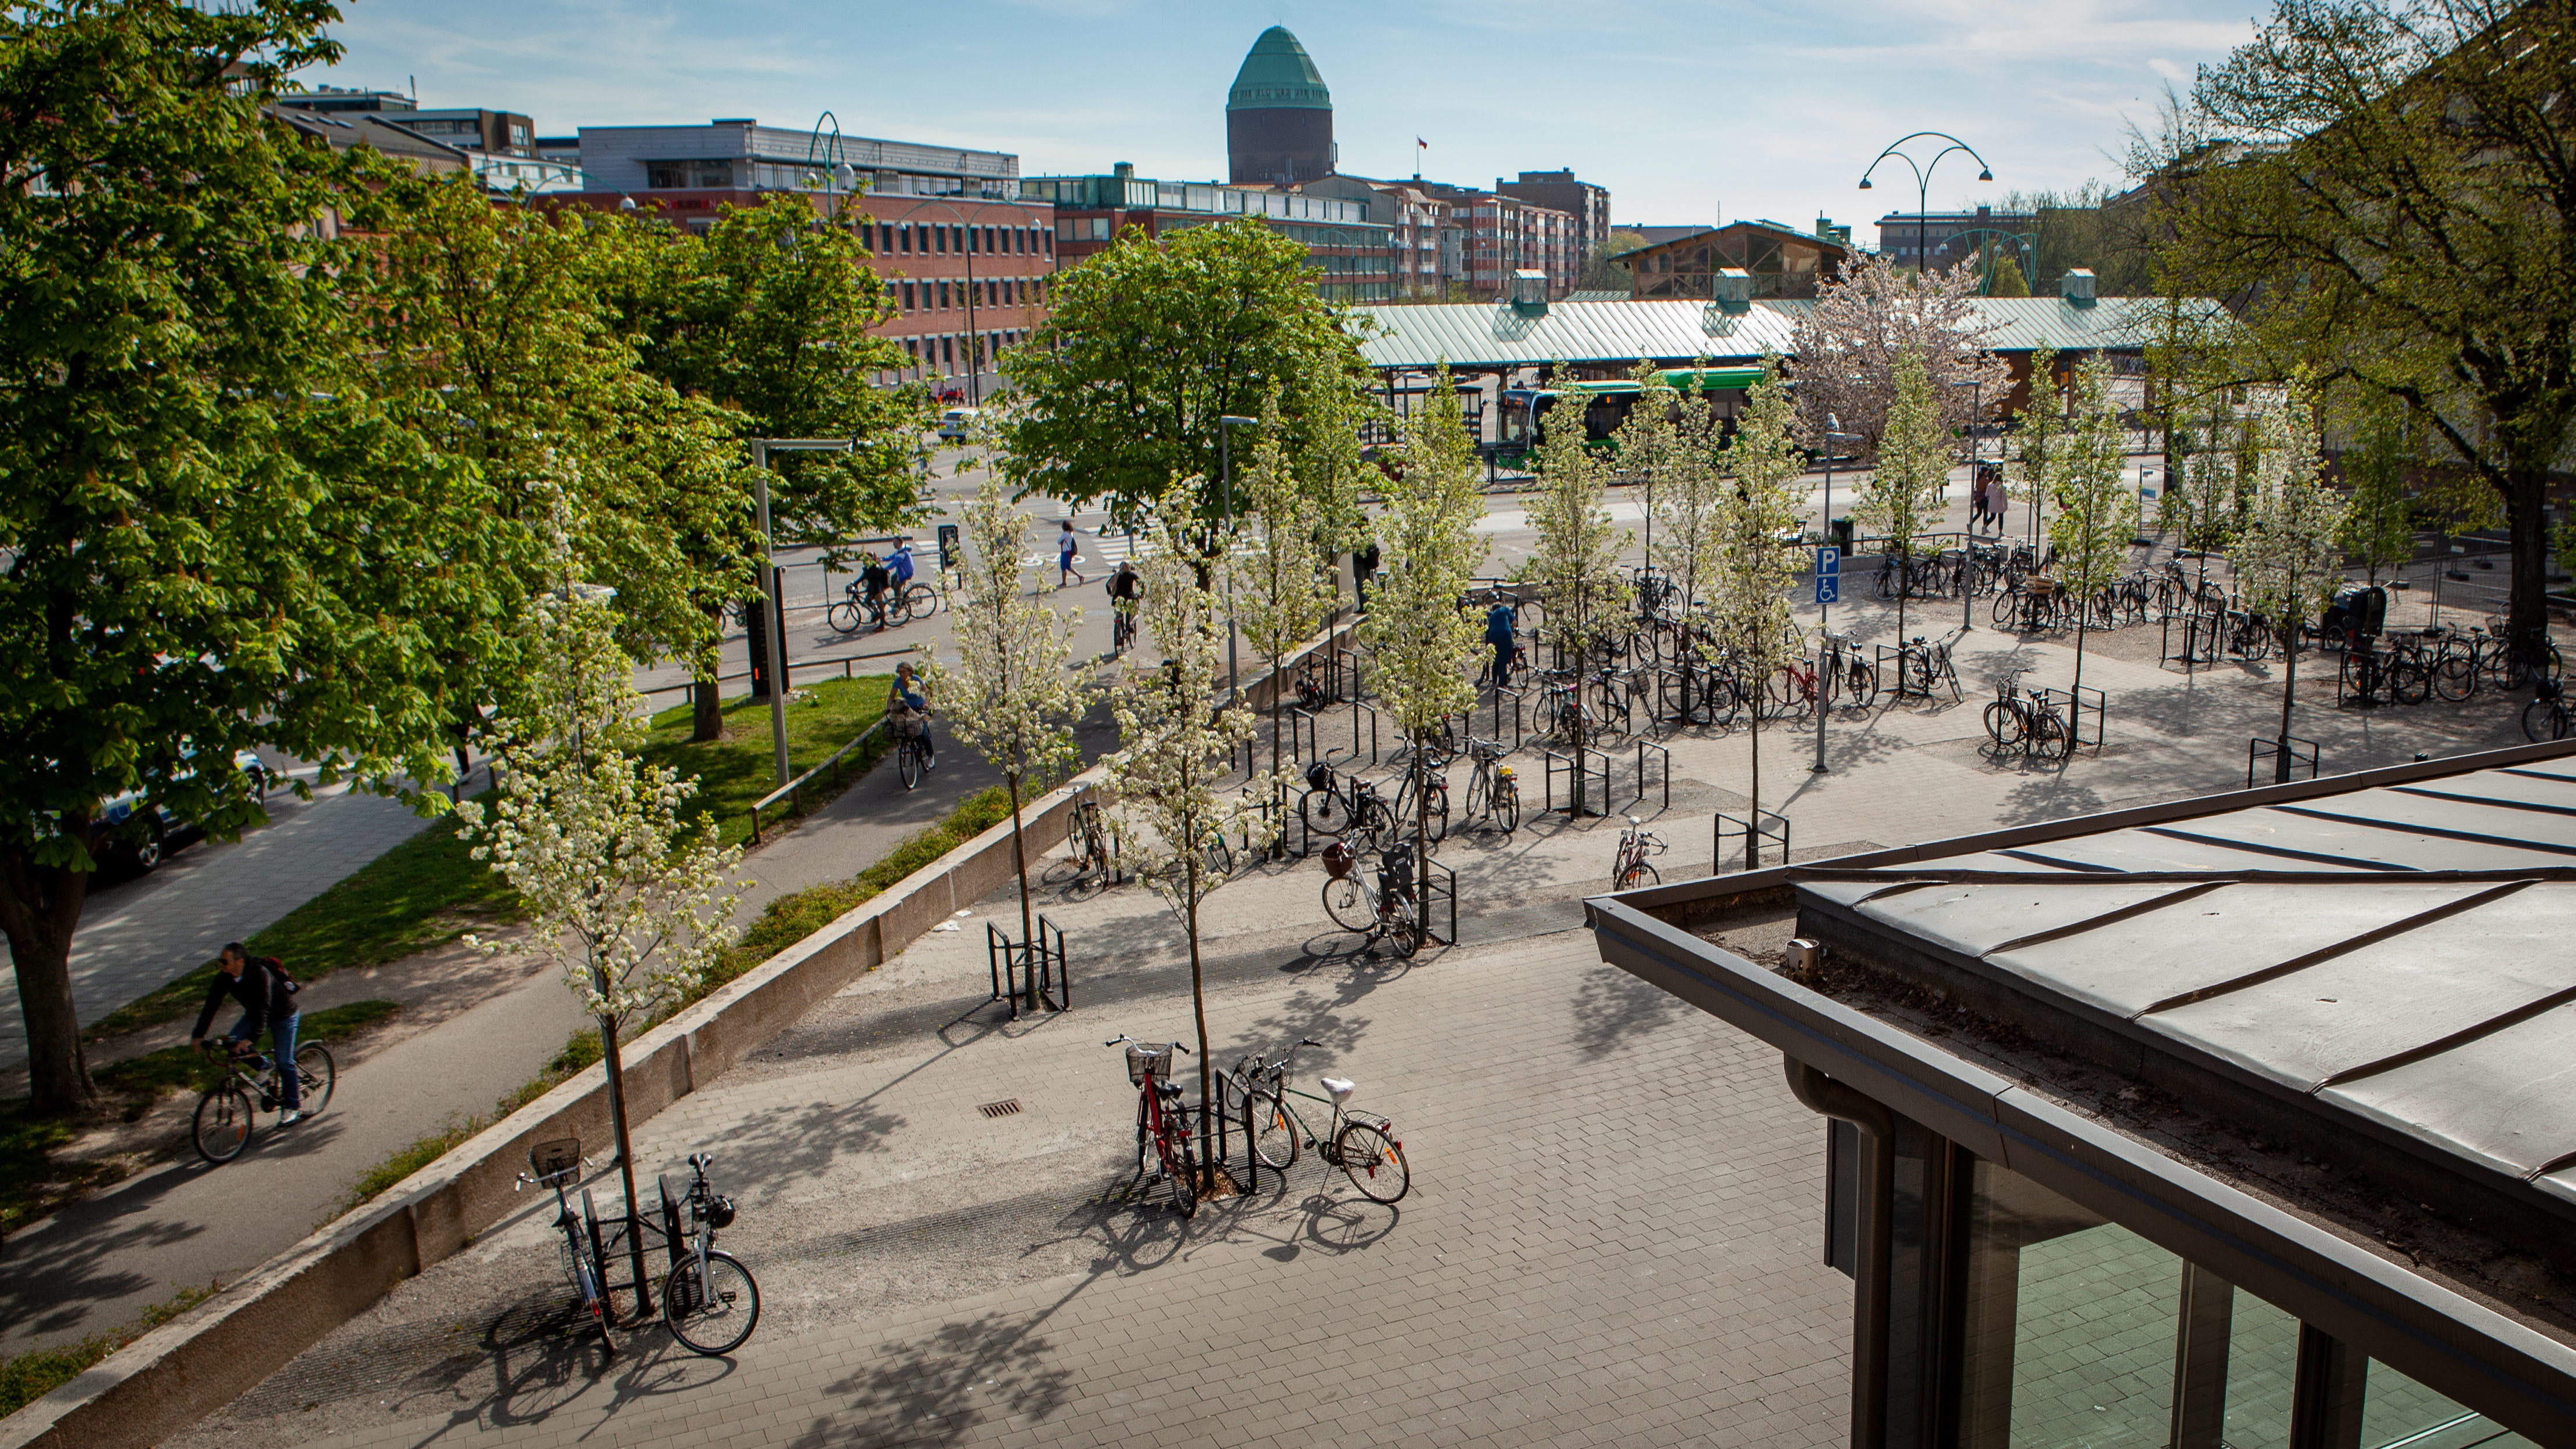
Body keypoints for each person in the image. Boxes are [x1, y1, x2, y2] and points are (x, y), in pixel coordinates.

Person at [191, 943, 304, 1124]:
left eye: (224, 961)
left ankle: (293, 1106)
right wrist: (198, 1034)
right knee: (233, 1044)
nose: (221, 965)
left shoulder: (260, 974)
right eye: (220, 961)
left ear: (239, 962)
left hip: (283, 1016)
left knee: (284, 1061)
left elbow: (264, 1009)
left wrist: (251, 1039)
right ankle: (265, 1066)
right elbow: (211, 1006)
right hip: (254, 1015)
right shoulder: (224, 978)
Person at [889, 662, 935, 769]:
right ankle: (913, 746)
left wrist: (926, 704)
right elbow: (891, 697)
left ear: (909, 671)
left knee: (923, 733)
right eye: (900, 672)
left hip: (920, 708)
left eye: (904, 672)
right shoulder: (898, 682)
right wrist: (889, 708)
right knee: (906, 730)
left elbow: (927, 692)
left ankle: (930, 756)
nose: (902, 674)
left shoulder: (916, 679)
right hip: (908, 710)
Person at [1484, 598, 1519, 687]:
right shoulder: (1505, 610)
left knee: (1495, 661)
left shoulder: (1491, 617)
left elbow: (1489, 628)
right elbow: (1514, 622)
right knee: (1503, 662)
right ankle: (1502, 686)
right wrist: (1513, 629)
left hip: (1493, 637)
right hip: (1505, 636)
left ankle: (1494, 682)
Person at [1107, 559, 1140, 648]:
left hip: (1118, 600)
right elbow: (1141, 583)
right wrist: (1142, 593)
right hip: (1129, 598)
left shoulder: (1118, 575)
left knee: (1119, 616)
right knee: (1130, 612)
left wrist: (1110, 593)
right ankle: (1129, 627)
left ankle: (1119, 635)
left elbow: (1108, 585)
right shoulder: (1131, 575)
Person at [1353, 540, 1381, 615]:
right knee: (1367, 581)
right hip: (1367, 560)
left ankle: (1364, 605)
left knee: (1361, 583)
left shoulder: (1359, 534)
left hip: (1361, 560)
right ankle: (1369, 602)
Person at [1057, 520, 1085, 589]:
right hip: (1070, 552)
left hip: (1065, 552)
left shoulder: (1065, 534)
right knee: (1068, 567)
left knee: (1063, 567)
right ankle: (1080, 576)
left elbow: (1059, 541)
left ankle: (1064, 582)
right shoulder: (1071, 533)